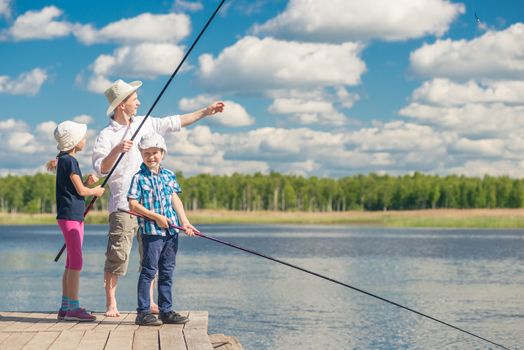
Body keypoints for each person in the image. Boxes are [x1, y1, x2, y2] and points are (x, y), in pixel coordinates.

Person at [92, 79, 224, 317]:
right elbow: (101, 168)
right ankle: (111, 303)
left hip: (153, 207)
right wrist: (117, 149)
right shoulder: (105, 135)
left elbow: (176, 121)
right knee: (118, 255)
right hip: (124, 205)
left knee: (150, 257)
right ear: (122, 105)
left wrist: (205, 112)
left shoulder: (148, 123)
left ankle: (151, 302)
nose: (138, 102)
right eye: (134, 99)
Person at [128, 132, 196, 325]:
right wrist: (156, 217)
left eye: (154, 152)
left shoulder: (169, 175)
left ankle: (166, 311)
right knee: (149, 271)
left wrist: (185, 222)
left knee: (167, 272)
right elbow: (133, 205)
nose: (151, 157)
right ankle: (143, 312)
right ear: (141, 155)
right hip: (152, 234)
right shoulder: (138, 178)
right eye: (146, 153)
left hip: (171, 233)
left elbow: (175, 198)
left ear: (162, 153)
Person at [49, 121, 105, 321]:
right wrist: (95, 191)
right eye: (82, 137)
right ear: (74, 142)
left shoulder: (64, 159)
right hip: (71, 216)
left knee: (71, 261)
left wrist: (87, 183)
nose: (85, 140)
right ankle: (73, 307)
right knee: (77, 262)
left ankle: (65, 306)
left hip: (71, 216)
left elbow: (76, 188)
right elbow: (81, 192)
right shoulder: (70, 161)